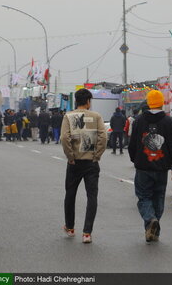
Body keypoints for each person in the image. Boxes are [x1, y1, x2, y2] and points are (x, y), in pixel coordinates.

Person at [129, 90, 172, 243]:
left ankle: (150, 219)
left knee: (144, 196)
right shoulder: (168, 121)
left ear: (148, 102)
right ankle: (154, 227)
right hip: (161, 167)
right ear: (161, 102)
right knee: (158, 197)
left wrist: (135, 159)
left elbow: (132, 143)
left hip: (143, 167)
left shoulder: (139, 120)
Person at [61, 89, 107, 244]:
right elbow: (103, 136)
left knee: (70, 194)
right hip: (91, 162)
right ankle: (87, 233)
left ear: (76, 101)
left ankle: (70, 227)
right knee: (92, 196)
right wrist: (97, 155)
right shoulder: (96, 116)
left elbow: (64, 137)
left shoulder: (68, 116)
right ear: (88, 101)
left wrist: (70, 156)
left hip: (74, 163)